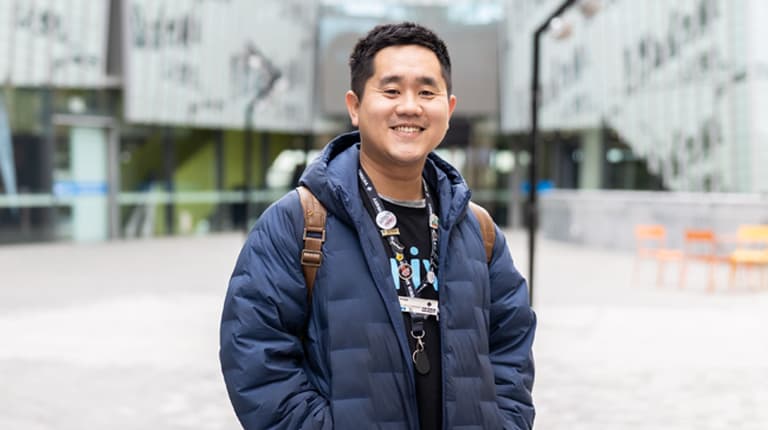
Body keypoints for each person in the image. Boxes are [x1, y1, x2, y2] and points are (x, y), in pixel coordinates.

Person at [220, 22, 536, 429]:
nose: (409, 106)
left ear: (449, 107)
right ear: (355, 105)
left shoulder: (477, 228)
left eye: (426, 92)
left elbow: (511, 342)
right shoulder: (298, 220)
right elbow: (255, 353)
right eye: (391, 91)